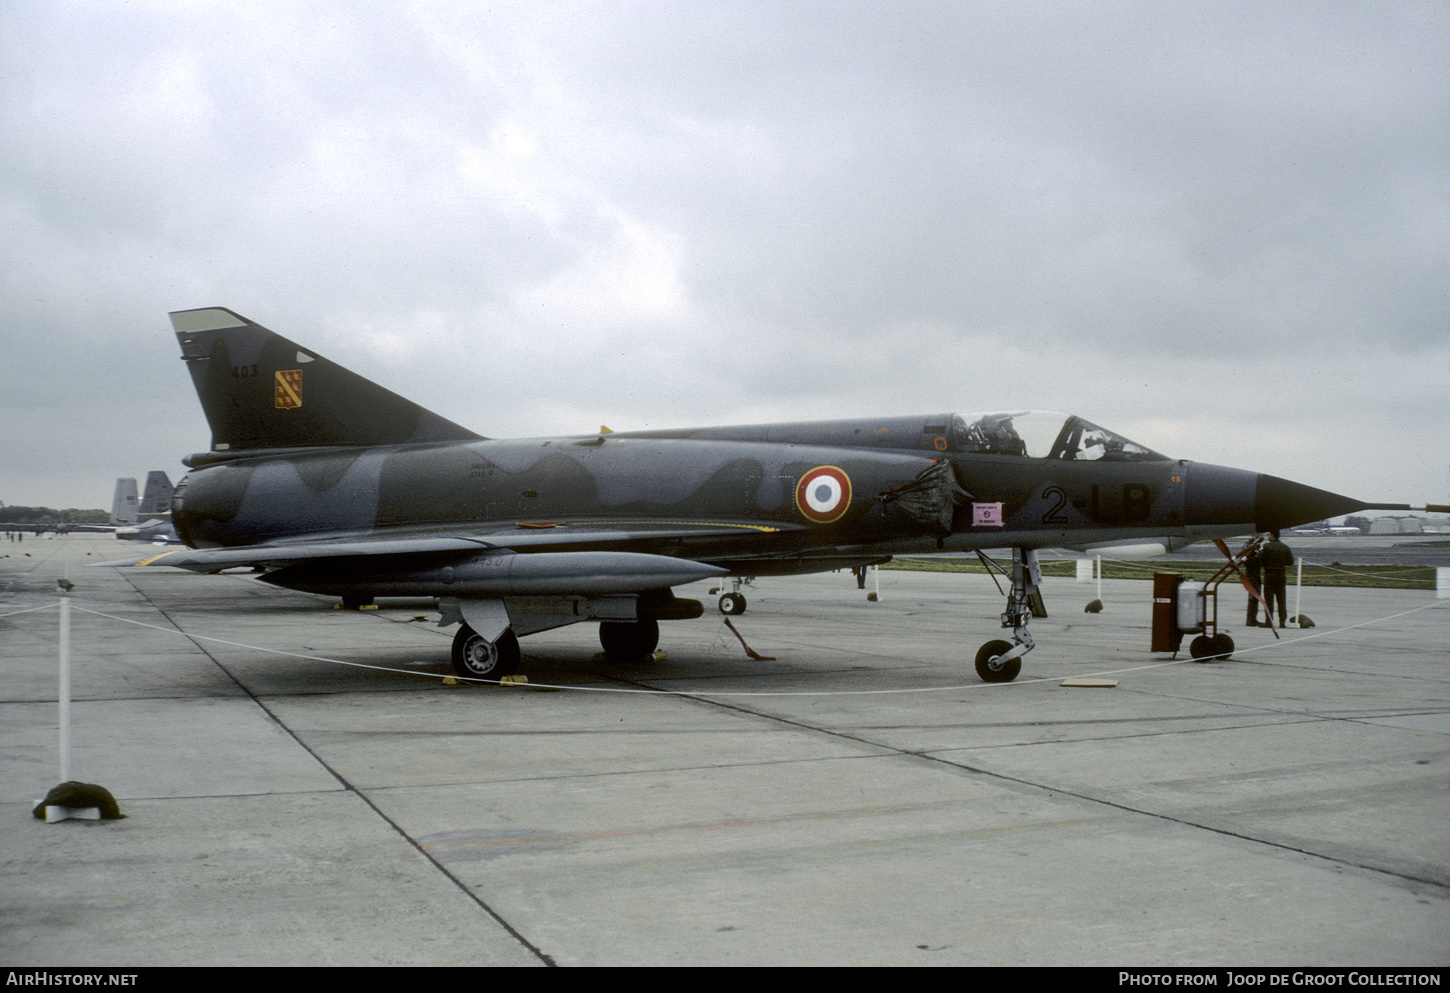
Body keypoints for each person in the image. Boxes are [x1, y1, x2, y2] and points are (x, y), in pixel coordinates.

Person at [1258, 531, 1295, 629]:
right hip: (1281, 575)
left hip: (1269, 575)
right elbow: (1290, 562)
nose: (1267, 536)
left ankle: (1269, 621)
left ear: (1272, 535)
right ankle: (1282, 622)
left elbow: (1260, 560)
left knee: (1269, 600)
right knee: (1281, 600)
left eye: (1269, 534)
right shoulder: (1285, 547)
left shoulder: (1265, 546)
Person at [1244, 537, 1264, 626]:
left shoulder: (1256, 545)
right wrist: (1259, 556)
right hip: (1251, 573)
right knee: (1253, 596)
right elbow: (1246, 560)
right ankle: (1250, 619)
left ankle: (1252, 618)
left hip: (1255, 572)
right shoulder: (1249, 545)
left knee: (1256, 596)